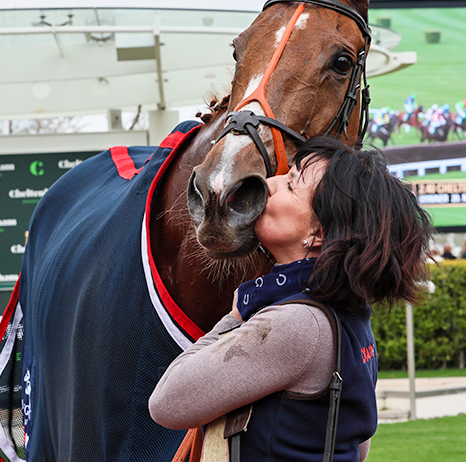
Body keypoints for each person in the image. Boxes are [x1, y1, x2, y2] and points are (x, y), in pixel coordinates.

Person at [149, 137, 433, 461]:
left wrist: (235, 317)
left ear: (319, 232)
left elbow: (167, 403)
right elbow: (358, 444)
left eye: (290, 185)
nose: (268, 185)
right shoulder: (351, 314)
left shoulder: (296, 325)